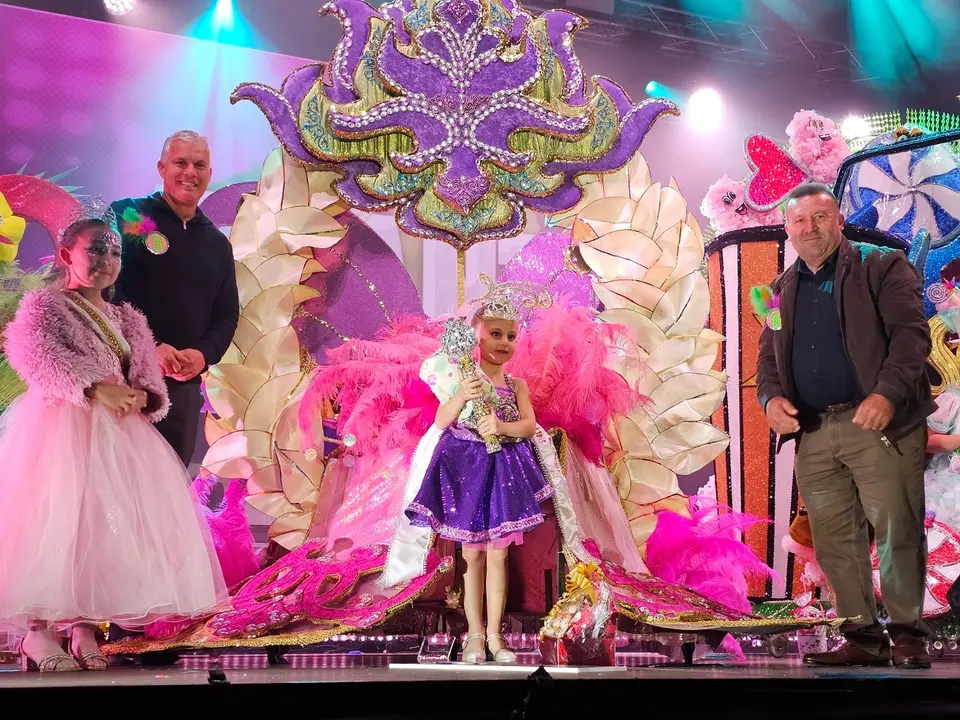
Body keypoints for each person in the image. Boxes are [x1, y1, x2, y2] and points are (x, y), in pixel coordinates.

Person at [0, 215, 227, 672]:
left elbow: (145, 370)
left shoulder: (126, 316)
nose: (106, 260)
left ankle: (83, 625)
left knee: (103, 528)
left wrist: (146, 394)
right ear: (67, 255)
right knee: (57, 519)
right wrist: (93, 387)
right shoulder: (45, 306)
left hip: (119, 437)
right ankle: (38, 632)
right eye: (95, 250)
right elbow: (34, 358)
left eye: (114, 252)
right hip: (63, 428)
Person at [756, 183, 935, 668]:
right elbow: (767, 360)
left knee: (896, 527)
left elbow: (911, 338)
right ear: (787, 229)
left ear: (838, 220)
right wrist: (770, 399)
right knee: (834, 539)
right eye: (799, 221)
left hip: (876, 420)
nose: (809, 228)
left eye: (819, 217)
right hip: (813, 431)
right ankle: (861, 636)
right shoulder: (776, 291)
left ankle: (908, 636)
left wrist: (886, 394)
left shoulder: (882, 265)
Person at [111, 130, 239, 467]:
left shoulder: (217, 243)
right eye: (180, 162)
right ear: (161, 167)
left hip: (180, 393)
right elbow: (108, 292)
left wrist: (203, 355)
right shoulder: (130, 217)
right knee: (117, 488)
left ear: (210, 174)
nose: (190, 172)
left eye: (200, 165)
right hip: (124, 382)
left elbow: (226, 316)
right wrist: (148, 346)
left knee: (170, 492)